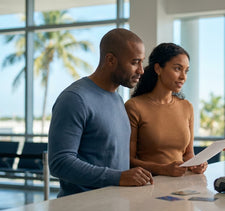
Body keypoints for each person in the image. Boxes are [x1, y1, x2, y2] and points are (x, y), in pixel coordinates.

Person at [48, 28, 153, 197]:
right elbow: (60, 163)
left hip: (114, 205)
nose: (141, 70)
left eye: (141, 62)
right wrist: (118, 177)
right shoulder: (74, 99)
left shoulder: (117, 99)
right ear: (110, 60)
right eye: (134, 62)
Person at [125, 43, 207, 177]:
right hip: (147, 185)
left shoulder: (186, 107)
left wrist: (197, 164)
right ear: (158, 68)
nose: (183, 77)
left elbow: (188, 154)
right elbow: (128, 160)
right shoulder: (134, 106)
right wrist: (163, 169)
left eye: (186, 71)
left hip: (181, 187)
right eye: (177, 69)